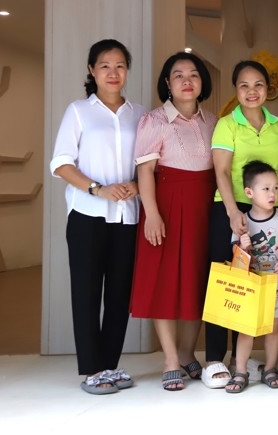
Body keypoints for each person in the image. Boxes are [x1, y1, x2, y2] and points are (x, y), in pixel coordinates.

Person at [50, 39, 145, 395]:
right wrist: (96, 188)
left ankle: (111, 366)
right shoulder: (79, 111)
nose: (113, 72)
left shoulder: (139, 113)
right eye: (105, 65)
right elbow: (60, 163)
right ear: (92, 70)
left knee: (120, 295)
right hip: (88, 214)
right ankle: (91, 370)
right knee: (87, 293)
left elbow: (148, 163)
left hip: (127, 217)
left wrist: (136, 185)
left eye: (120, 65)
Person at [129, 52, 216, 391]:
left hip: (204, 206)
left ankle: (187, 352)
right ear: (167, 83)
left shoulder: (212, 121)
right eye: (177, 75)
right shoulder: (154, 121)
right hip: (165, 205)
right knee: (165, 280)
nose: (186, 81)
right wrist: (151, 214)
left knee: (197, 278)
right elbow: (145, 171)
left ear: (201, 82)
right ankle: (169, 360)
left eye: (193, 74)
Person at [205, 60, 278, 388]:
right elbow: (221, 171)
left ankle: (243, 359)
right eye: (244, 85)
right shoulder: (227, 124)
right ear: (235, 90)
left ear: (268, 90)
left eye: (258, 85)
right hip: (230, 209)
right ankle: (215, 357)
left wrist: (265, 195)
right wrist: (232, 211)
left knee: (260, 284)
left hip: (265, 212)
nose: (251, 91)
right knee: (228, 282)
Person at [227, 161, 278, 393]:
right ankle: (240, 371)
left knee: (273, 327)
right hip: (251, 285)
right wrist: (243, 246)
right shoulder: (242, 222)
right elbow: (237, 257)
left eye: (275, 188)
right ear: (249, 192)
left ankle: (270, 368)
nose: (272, 193)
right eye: (265, 188)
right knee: (247, 328)